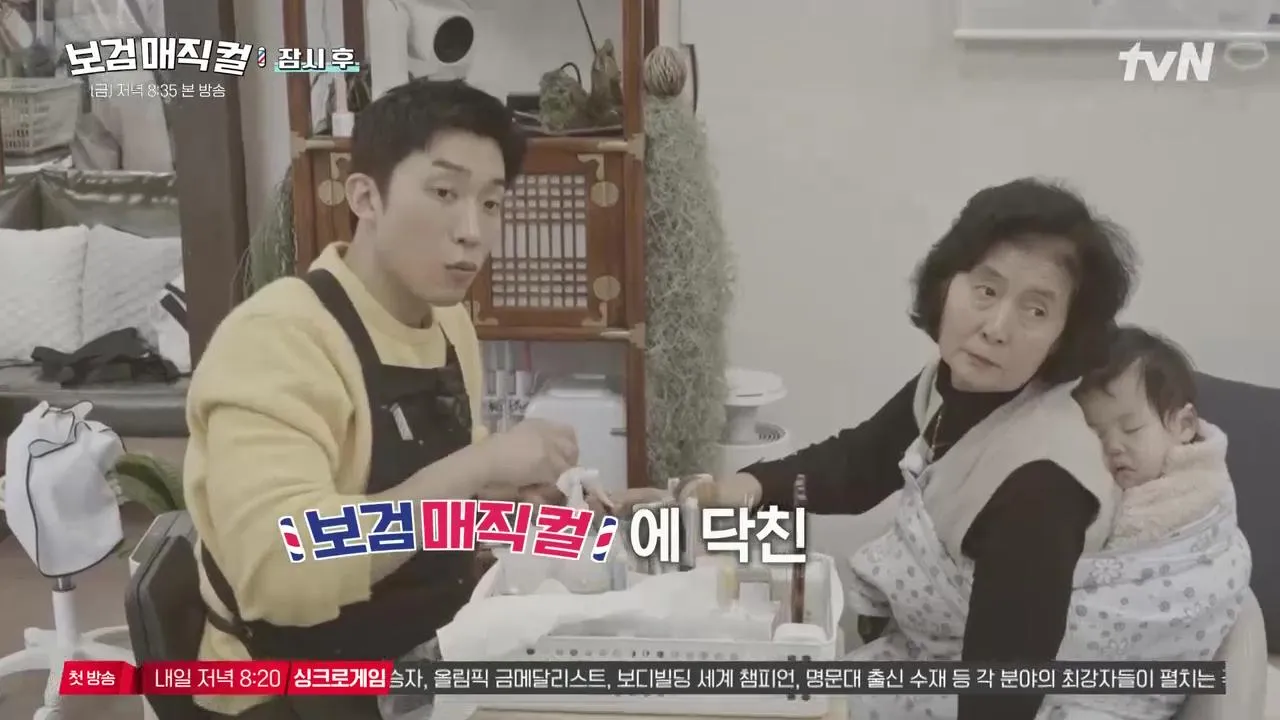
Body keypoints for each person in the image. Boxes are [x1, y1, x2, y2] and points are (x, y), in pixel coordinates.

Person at [623, 178, 1138, 720]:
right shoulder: (954, 382)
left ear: (1064, 336)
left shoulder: (1041, 485)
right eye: (986, 291)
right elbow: (860, 464)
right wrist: (735, 489)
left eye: (1036, 311)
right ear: (947, 284)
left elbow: (1001, 692)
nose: (996, 328)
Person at [183, 79, 578, 720]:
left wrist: (531, 508)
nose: (472, 232)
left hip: (417, 659)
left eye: (492, 203)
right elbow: (282, 569)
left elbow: (446, 505)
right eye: (444, 193)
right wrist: (478, 466)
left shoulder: (447, 323)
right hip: (288, 688)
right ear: (365, 196)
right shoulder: (278, 339)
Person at [1075, 326, 1234, 547]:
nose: (1112, 446)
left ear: (1184, 425)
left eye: (1131, 428)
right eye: (1097, 435)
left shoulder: (1201, 487)